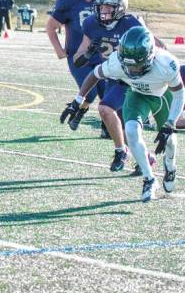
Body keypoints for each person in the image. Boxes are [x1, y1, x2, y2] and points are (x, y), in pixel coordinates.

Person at [61, 26, 184, 202]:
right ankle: (149, 179)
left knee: (170, 140)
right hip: (136, 95)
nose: (132, 70)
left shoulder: (166, 63)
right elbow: (94, 74)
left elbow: (179, 93)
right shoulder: (117, 61)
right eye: (128, 65)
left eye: (137, 65)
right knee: (132, 131)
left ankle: (170, 166)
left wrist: (170, 123)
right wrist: (78, 100)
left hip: (161, 95)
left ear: (150, 56)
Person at [67, 0, 162, 172]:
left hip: (136, 79)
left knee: (122, 120)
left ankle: (128, 153)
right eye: (101, 7)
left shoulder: (132, 23)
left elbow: (158, 47)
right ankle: (134, 154)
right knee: (112, 116)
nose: (103, 12)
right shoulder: (91, 24)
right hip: (115, 76)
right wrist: (88, 52)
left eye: (109, 7)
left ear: (120, 7)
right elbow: (78, 61)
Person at [46, 0, 105, 133]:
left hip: (100, 55)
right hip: (78, 56)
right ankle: (80, 111)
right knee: (91, 92)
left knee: (106, 93)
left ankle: (105, 124)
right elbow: (50, 27)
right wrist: (59, 50)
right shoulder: (67, 1)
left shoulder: (102, 1)